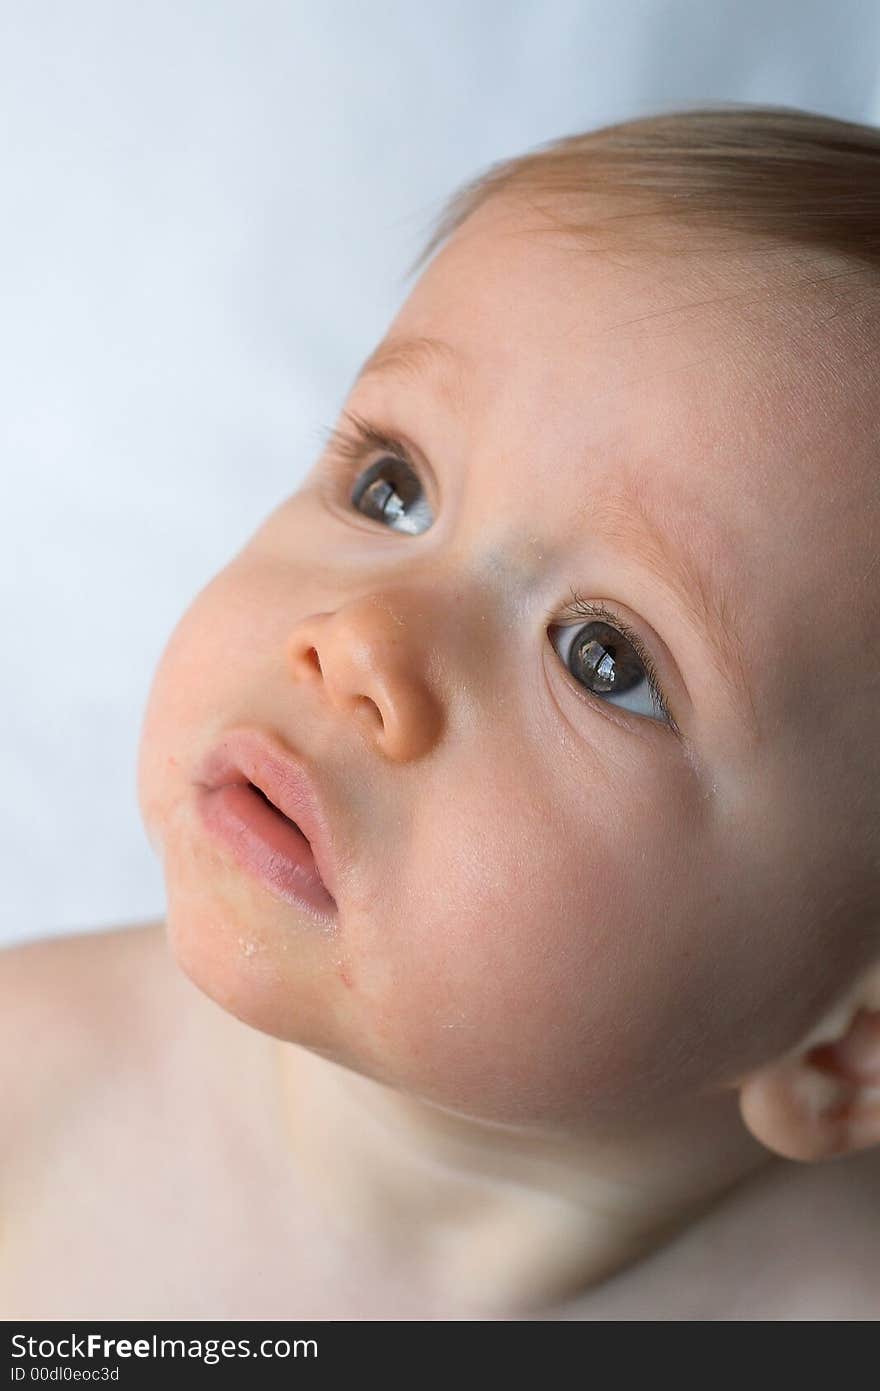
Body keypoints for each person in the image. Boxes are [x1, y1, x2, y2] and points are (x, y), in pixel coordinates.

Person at [3, 103, 879, 1321]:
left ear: (851, 1039)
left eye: (603, 657)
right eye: (391, 487)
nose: (363, 638)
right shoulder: (30, 1094)